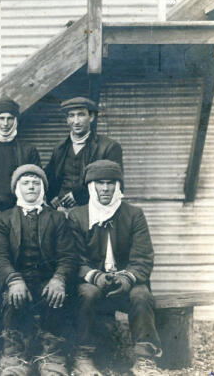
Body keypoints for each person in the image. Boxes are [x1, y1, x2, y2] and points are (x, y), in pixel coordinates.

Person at [69, 160, 161, 376]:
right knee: (86, 294)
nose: (105, 189)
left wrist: (128, 278)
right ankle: (83, 357)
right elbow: (74, 259)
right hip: (93, 283)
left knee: (141, 295)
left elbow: (143, 257)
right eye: (99, 183)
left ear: (118, 186)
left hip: (126, 284)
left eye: (110, 183)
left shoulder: (134, 214)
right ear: (90, 186)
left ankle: (145, 360)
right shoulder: (77, 216)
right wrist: (95, 276)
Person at [0, 164, 76, 376]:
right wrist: (13, 280)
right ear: (16, 188)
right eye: (26, 183)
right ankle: (14, 356)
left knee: (55, 300)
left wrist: (59, 279)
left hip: (47, 280)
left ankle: (52, 357)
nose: (31, 187)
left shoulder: (57, 218)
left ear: (43, 188)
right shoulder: (3, 219)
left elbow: (68, 255)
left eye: (36, 183)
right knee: (12, 301)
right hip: (18, 281)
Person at [44, 97, 122, 210]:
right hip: (61, 211)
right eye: (71, 115)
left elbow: (115, 185)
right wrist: (51, 196)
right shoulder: (60, 148)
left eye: (81, 115)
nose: (76, 121)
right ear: (67, 120)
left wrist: (78, 196)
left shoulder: (109, 147)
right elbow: (48, 178)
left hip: (92, 210)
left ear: (91, 117)